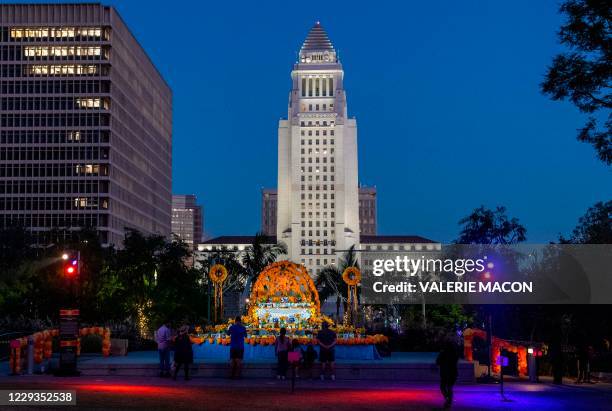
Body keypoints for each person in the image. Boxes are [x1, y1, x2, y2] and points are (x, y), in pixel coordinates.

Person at [436, 340, 459, 408]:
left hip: (445, 373)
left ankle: (447, 399)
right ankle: (449, 401)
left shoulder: (443, 353)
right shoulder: (455, 353)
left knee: (443, 387)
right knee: (450, 387)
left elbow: (437, 362)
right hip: (453, 372)